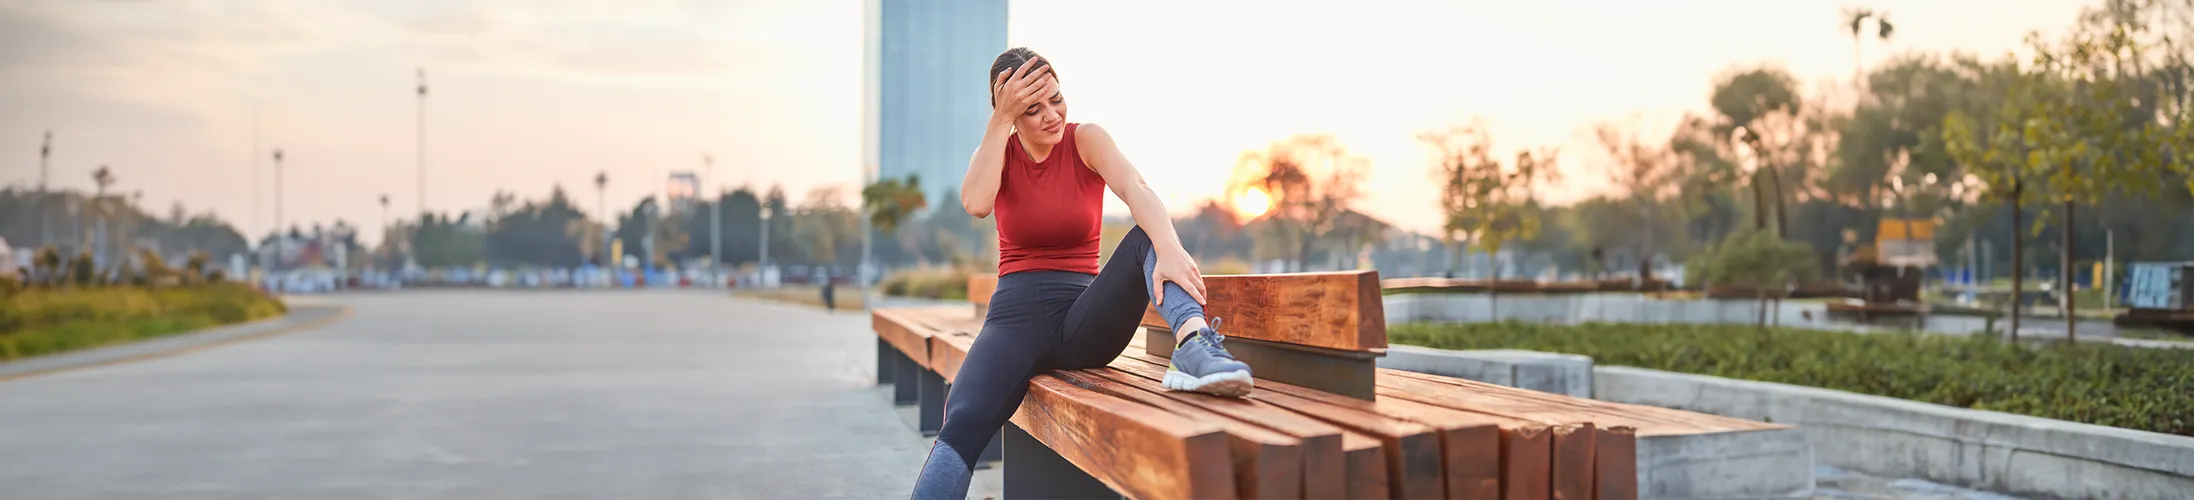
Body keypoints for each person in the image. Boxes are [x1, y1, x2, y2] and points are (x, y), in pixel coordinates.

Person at [908, 47, 1254, 499]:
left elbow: (1135, 188)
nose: (1051, 115)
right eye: (1032, 109)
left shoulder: (1085, 139)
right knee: (962, 422)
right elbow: (975, 203)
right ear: (1008, 113)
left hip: (1084, 320)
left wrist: (1168, 246)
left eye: (1056, 98)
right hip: (1013, 323)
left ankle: (1193, 344)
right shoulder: (997, 152)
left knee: (1147, 237)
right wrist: (999, 122)